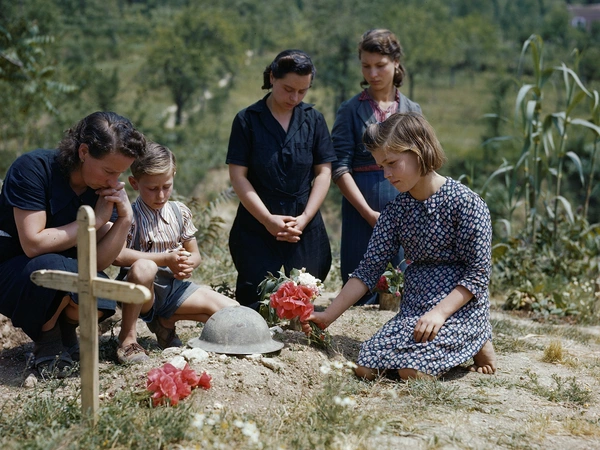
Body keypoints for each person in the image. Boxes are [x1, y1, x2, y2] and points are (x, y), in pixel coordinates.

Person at [308, 112, 497, 380]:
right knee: (366, 367)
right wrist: (327, 316)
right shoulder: (396, 211)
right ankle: (458, 342)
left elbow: (477, 274)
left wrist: (439, 314)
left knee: (412, 371)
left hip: (458, 306)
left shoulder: (466, 203)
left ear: (419, 151)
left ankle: (478, 337)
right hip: (415, 308)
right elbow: (368, 270)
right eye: (380, 166)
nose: (386, 174)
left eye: (392, 163)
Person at [0, 111, 146, 377]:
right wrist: (95, 219)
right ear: (83, 151)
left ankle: (64, 331)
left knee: (101, 289)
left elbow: (99, 262)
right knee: (54, 267)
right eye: (109, 171)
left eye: (120, 173)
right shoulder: (33, 168)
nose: (115, 182)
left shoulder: (102, 188)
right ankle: (48, 341)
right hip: (15, 271)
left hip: (68, 270)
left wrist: (125, 219)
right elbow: (33, 243)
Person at [226, 49, 336, 308]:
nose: (294, 97)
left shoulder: (314, 119)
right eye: (288, 89)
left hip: (303, 222)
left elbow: (324, 172)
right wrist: (267, 220)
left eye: (302, 91)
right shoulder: (247, 120)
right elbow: (238, 176)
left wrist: (305, 218)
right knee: (257, 300)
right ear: (272, 77)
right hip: (257, 221)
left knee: (305, 293)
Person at [113, 142, 238, 363]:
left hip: (172, 289)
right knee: (145, 267)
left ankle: (164, 323)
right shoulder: (129, 216)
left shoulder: (179, 212)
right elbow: (119, 256)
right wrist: (165, 259)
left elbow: (195, 253)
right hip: (141, 293)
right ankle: (127, 338)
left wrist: (187, 263)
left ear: (174, 176)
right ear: (134, 183)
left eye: (166, 186)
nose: (160, 195)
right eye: (152, 188)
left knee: (232, 311)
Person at [332, 29, 422, 305]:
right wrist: (369, 214)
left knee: (401, 289)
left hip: (405, 207)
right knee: (362, 287)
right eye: (366, 66)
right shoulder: (349, 110)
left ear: (396, 62)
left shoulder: (412, 110)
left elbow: (421, 163)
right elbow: (339, 168)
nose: (373, 73)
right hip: (362, 209)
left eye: (380, 65)